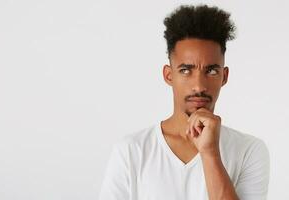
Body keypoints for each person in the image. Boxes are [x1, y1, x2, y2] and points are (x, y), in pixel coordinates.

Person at [99, 4, 270, 200]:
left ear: (224, 76)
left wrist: (210, 153)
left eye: (211, 71)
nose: (198, 86)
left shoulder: (249, 151)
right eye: (186, 70)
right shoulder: (131, 151)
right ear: (168, 75)